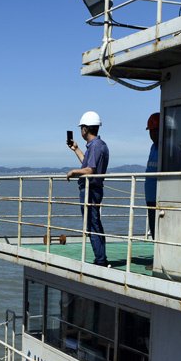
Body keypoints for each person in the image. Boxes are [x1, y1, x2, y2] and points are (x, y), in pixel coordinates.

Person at [66, 111, 110, 267]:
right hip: (94, 189)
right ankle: (101, 257)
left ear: (85, 129)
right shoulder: (99, 145)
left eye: (81, 128)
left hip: (91, 189)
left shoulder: (96, 146)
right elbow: (88, 164)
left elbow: (90, 170)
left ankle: (100, 260)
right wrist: (76, 149)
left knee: (92, 225)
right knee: (95, 223)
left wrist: (73, 172)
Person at [145, 112, 160, 239]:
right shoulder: (153, 147)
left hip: (160, 196)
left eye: (155, 131)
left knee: (160, 228)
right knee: (153, 227)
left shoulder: (168, 148)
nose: (152, 134)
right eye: (151, 132)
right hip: (150, 195)